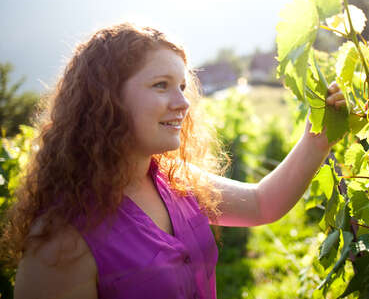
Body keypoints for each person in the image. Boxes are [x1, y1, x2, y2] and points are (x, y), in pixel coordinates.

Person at [1, 23, 346, 299]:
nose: (183, 103)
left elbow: (260, 204)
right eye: (161, 85)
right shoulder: (61, 241)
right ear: (106, 100)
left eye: (182, 85)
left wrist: (316, 140)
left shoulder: (175, 180)